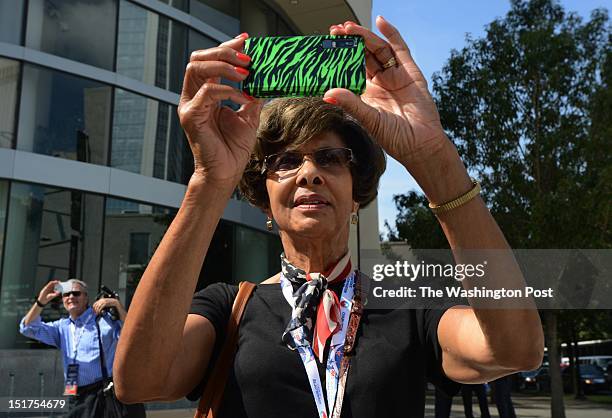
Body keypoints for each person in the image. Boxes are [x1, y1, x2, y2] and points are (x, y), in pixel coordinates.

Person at [113, 16, 544, 418]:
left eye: (330, 158)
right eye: (284, 161)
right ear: (264, 198)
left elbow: (515, 350)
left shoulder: (410, 306)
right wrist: (208, 180)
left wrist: (434, 159)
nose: (309, 173)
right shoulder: (229, 308)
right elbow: (137, 381)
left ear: (356, 195)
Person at [20, 279, 145, 418]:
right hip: (76, 394)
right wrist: (41, 301)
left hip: (103, 392)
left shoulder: (103, 319)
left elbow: (134, 334)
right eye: (66, 294)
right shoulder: (62, 327)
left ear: (86, 298)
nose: (71, 297)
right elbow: (28, 328)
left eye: (76, 293)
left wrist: (117, 305)